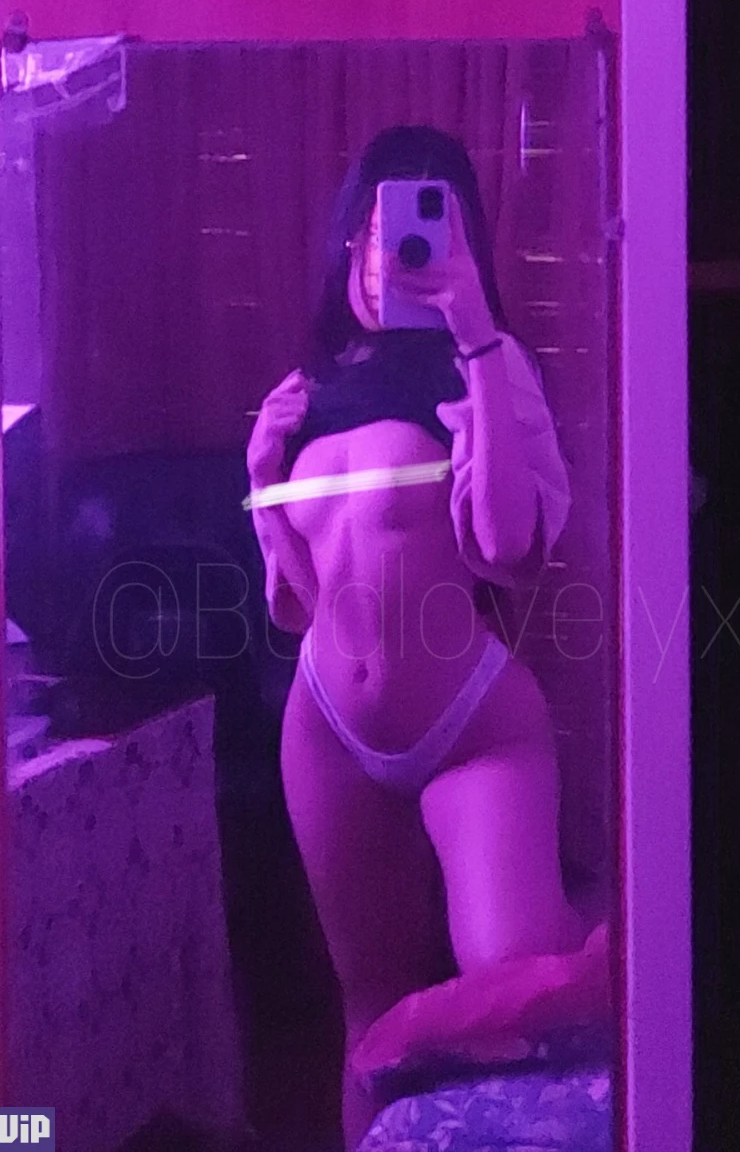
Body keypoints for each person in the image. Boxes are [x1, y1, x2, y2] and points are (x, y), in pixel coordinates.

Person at [246, 126, 589, 1149]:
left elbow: (509, 546)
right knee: (371, 1016)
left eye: (411, 232)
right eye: (366, 231)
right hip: (327, 729)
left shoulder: (485, 365)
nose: (380, 256)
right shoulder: (309, 388)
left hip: (470, 723)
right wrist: (262, 477)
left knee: (518, 982)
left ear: (458, 243)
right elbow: (296, 602)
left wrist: (476, 339)